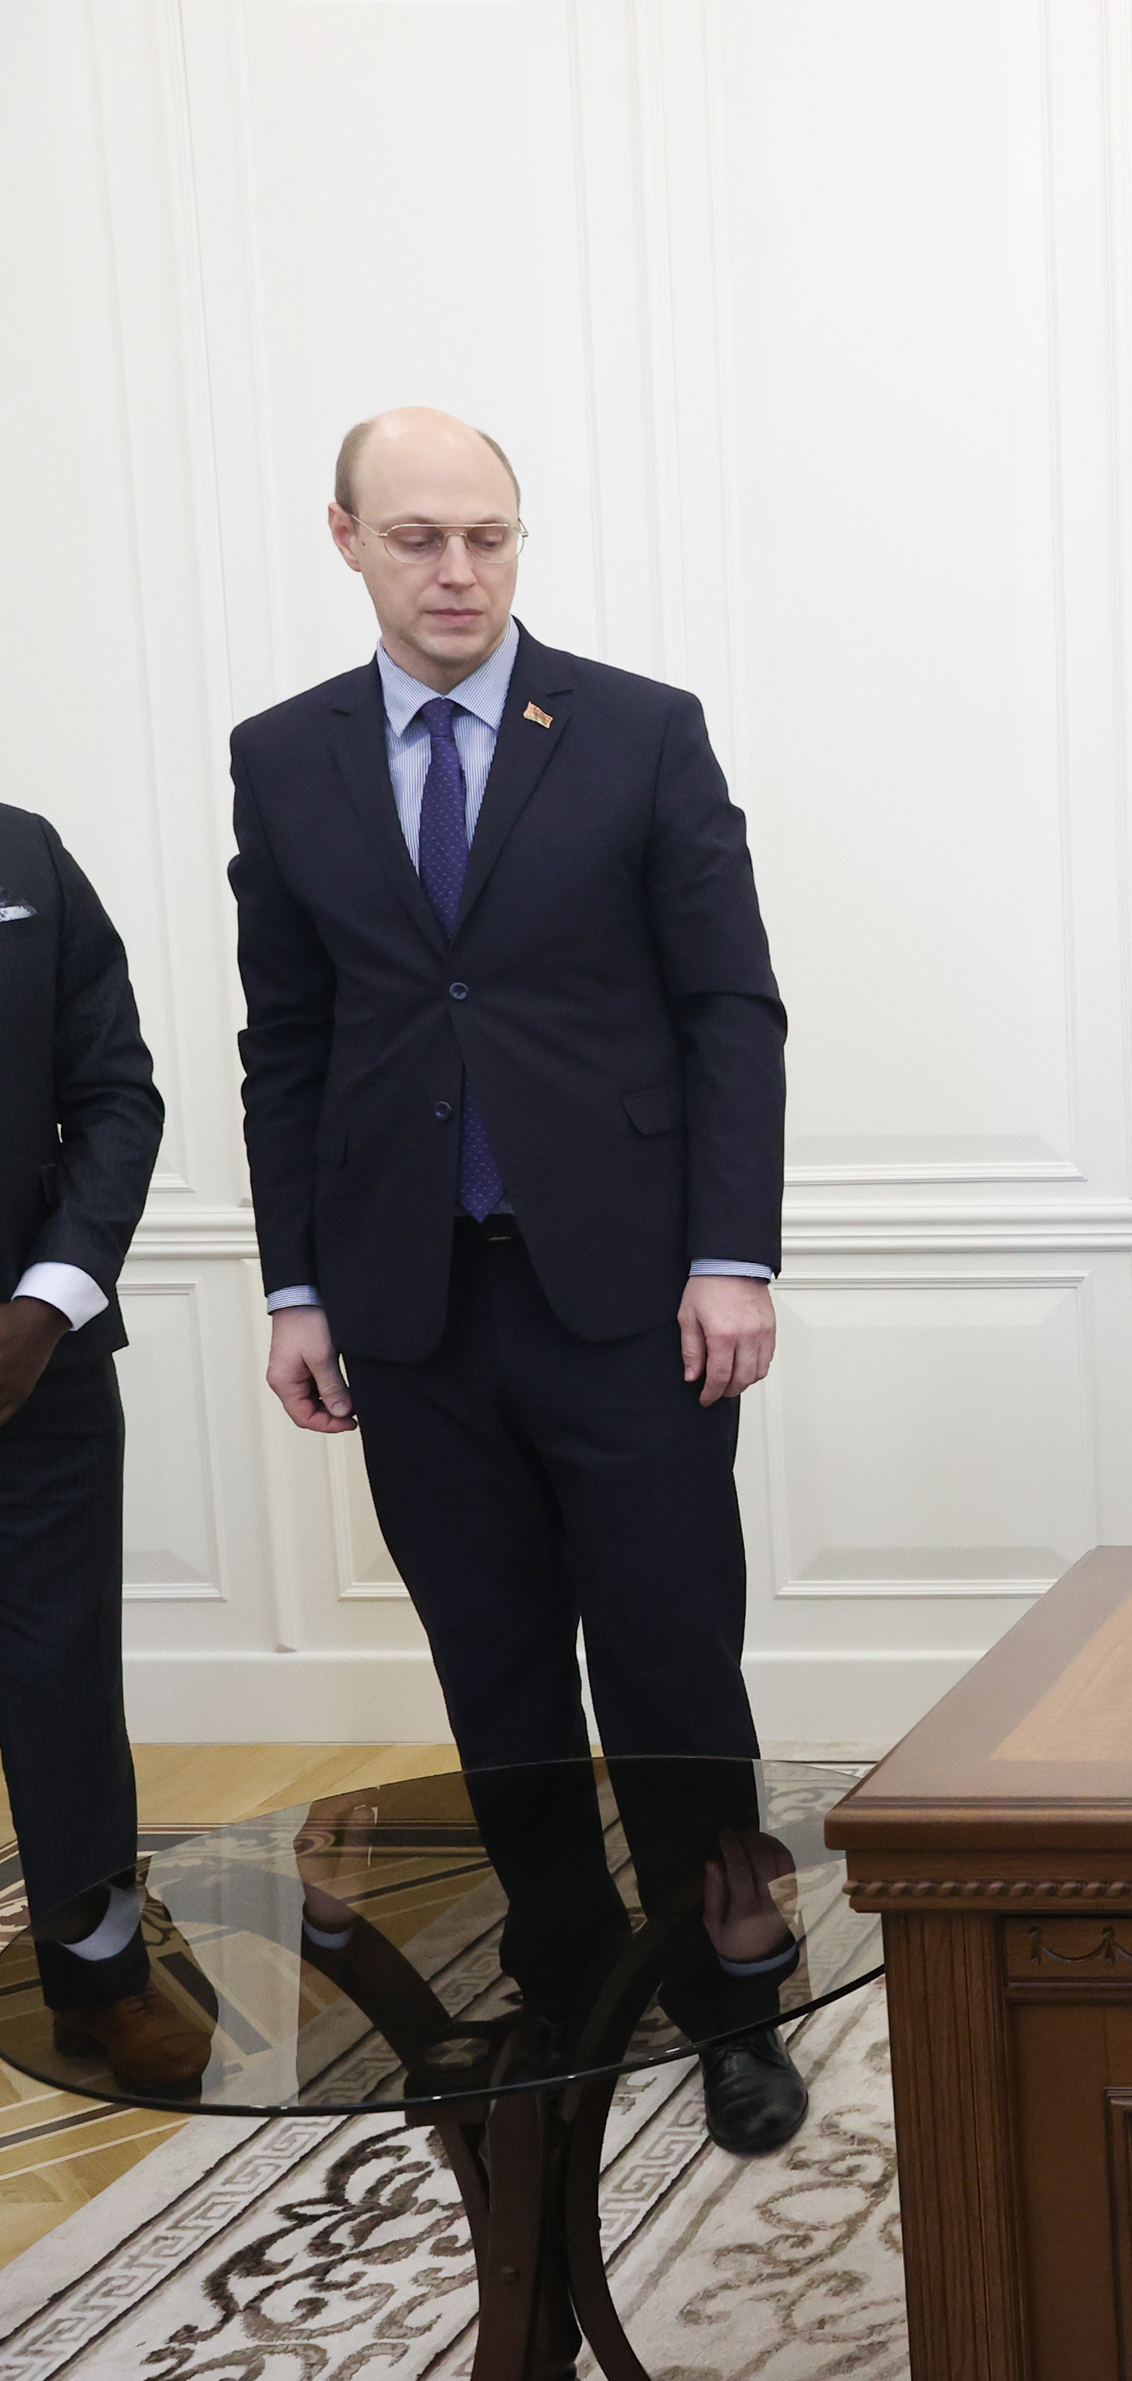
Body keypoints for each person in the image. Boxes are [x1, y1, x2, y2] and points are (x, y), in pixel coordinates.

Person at [226, 407, 803, 2153]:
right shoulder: (285, 756)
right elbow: (288, 1043)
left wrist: (730, 1256)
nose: (459, 570)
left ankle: (730, 1994)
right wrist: (295, 1287)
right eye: (419, 538)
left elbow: (730, 1008)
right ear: (347, 538)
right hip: (409, 1304)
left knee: (672, 1666)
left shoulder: (638, 731)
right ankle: (565, 1982)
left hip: (630, 1298)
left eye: (488, 535)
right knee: (495, 1669)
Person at [0, 806, 200, 2090]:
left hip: (39, 1355)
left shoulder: (25, 855)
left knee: (63, 1679)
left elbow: (116, 1094)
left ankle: (102, 1976)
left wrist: (46, 1304)